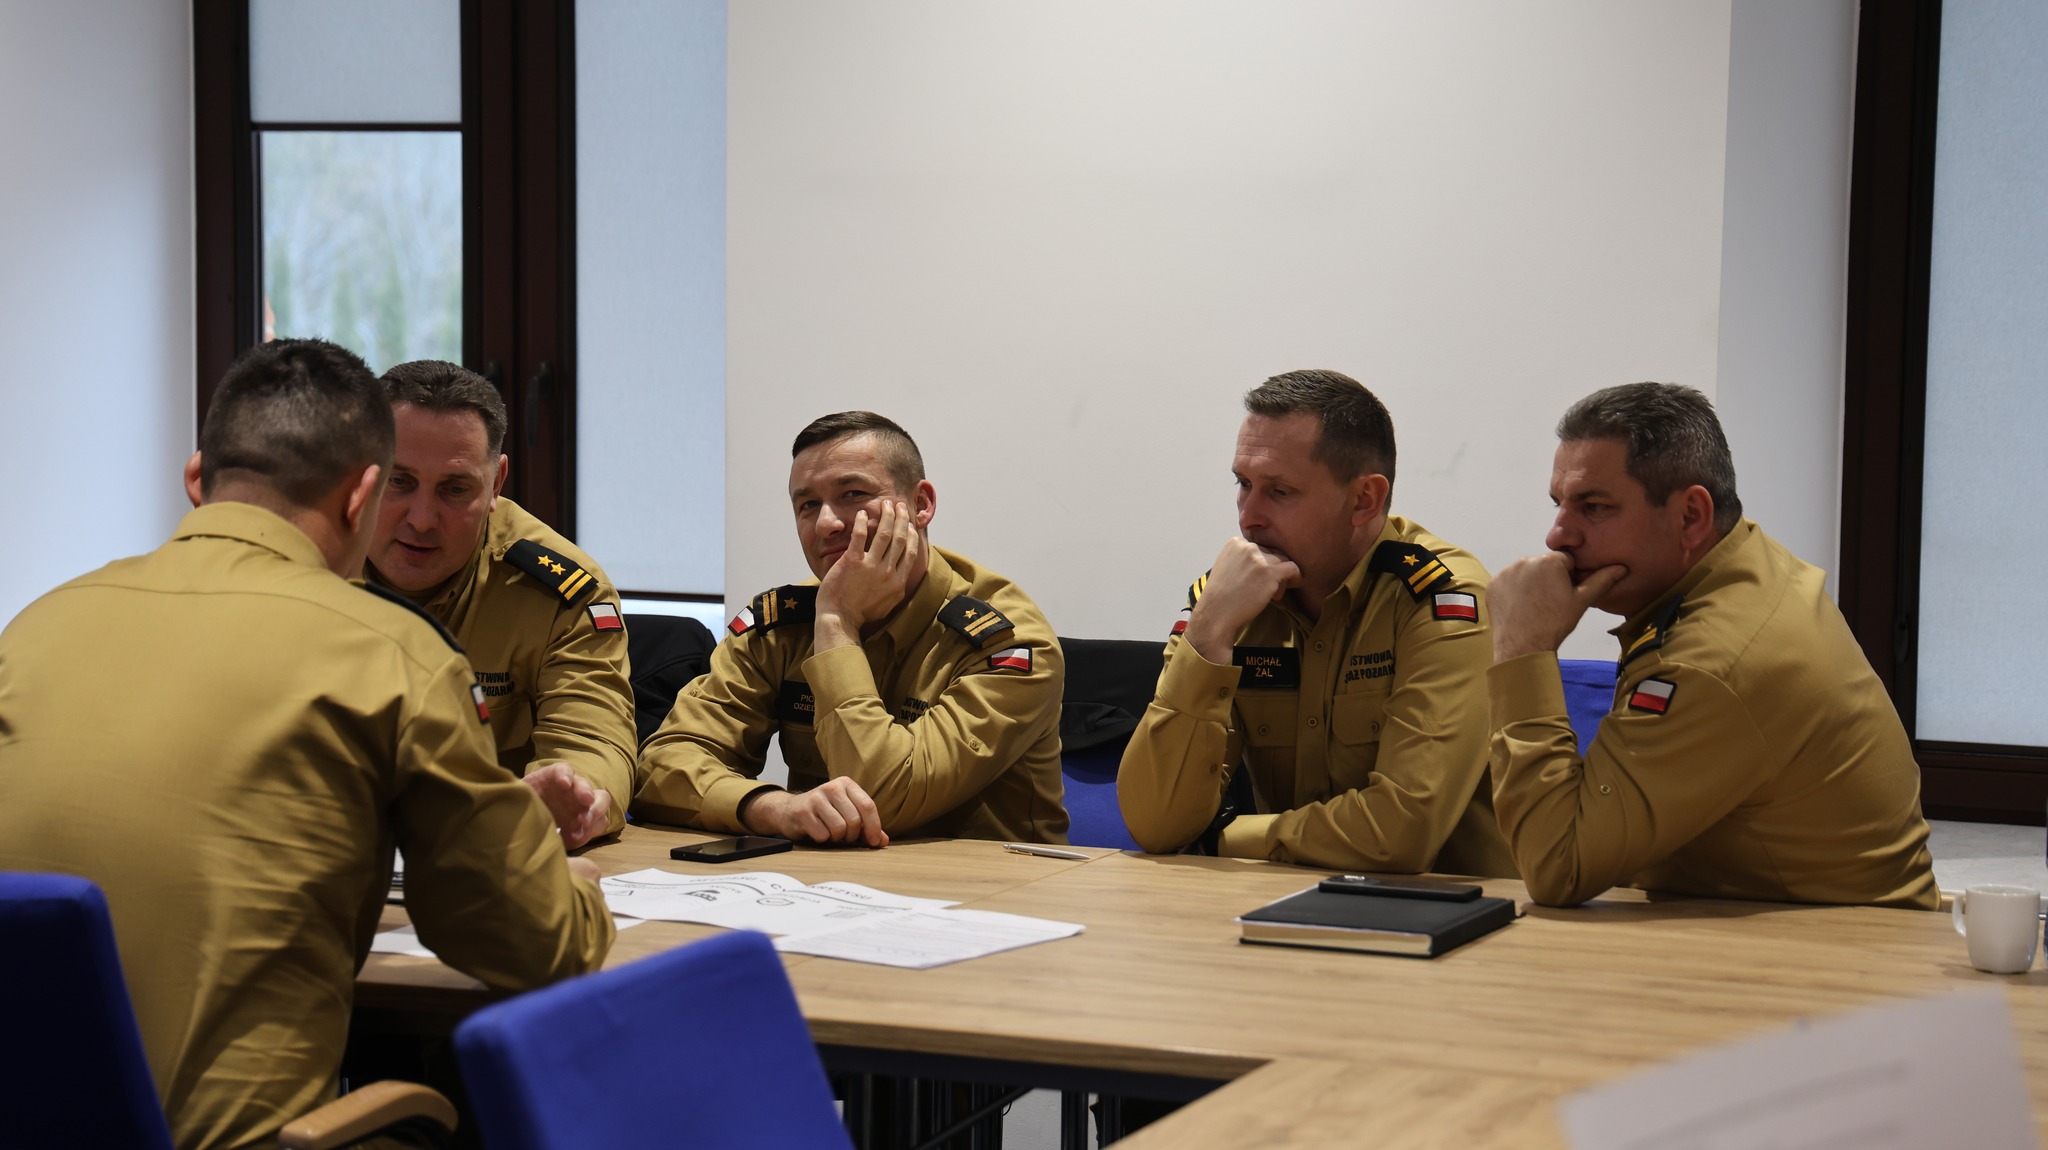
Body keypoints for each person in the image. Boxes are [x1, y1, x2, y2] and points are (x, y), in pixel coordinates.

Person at [0, 339, 614, 1149]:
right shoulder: (390, 651)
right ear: (362, 496)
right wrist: (575, 894)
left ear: (197, 481)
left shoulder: (36, 627)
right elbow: (534, 944)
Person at [1487, 381, 1937, 908]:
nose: (1557, 536)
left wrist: (1523, 650)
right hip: (1783, 918)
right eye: (1559, 504)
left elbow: (1558, 867)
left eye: (1594, 507)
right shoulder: (1739, 563)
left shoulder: (1714, 660)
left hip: (1835, 942)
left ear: (1691, 517)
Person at [1118, 370, 1513, 875]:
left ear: (1364, 499)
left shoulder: (1440, 599)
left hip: (1455, 907)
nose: (1248, 518)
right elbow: (1155, 823)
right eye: (1243, 484)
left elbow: (1401, 834)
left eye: (1280, 491)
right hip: (1280, 898)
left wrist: (1221, 839)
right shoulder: (1230, 602)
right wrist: (1208, 637)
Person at [634, 411, 1068, 845]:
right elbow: (660, 767)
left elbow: (884, 800)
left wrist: (837, 623)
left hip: (991, 882)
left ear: (921, 505)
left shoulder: (1008, 642)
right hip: (824, 879)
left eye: (853, 494)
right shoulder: (780, 625)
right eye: (807, 505)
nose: (827, 523)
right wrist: (771, 807)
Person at [367, 360, 637, 849]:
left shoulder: (560, 592)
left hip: (488, 849)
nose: (422, 520)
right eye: (399, 481)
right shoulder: (303, 564)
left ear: (496, 483)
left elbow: (591, 740)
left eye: (455, 489)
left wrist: (572, 795)